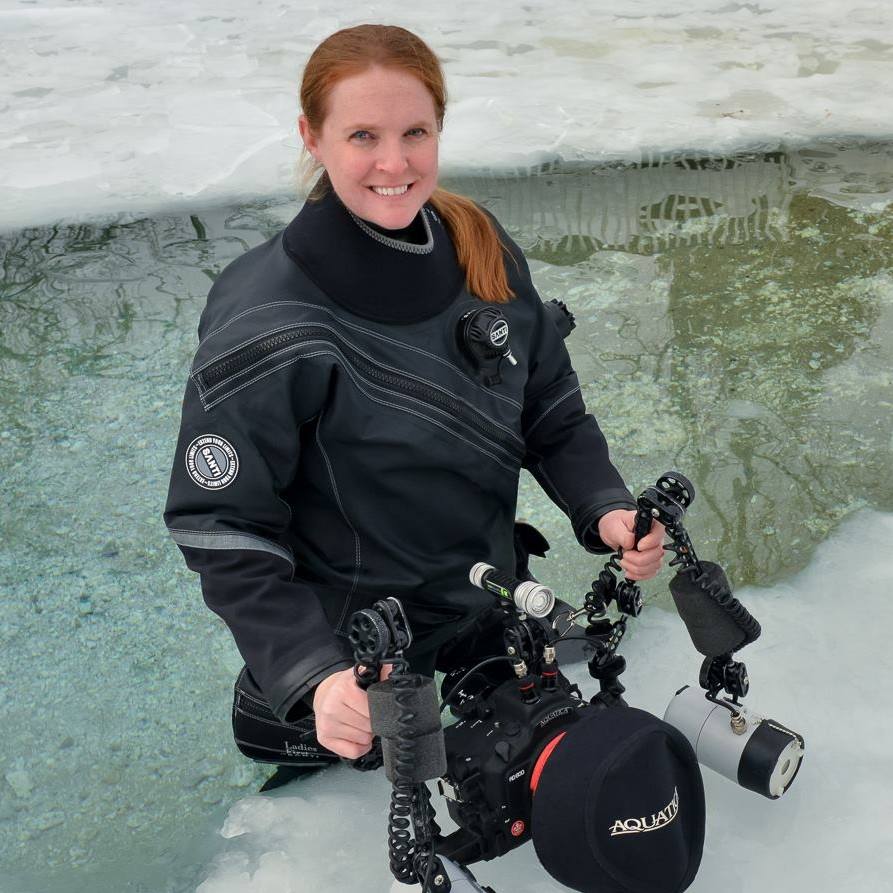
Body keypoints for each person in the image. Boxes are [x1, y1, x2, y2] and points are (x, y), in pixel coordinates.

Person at [164, 24, 665, 787]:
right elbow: (222, 523)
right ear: (312, 136)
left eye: (414, 132)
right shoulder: (263, 317)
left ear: (439, 129)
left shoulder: (479, 243)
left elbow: (550, 408)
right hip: (359, 656)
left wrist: (604, 508)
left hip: (488, 606)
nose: (393, 163)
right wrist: (312, 673)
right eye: (362, 134)